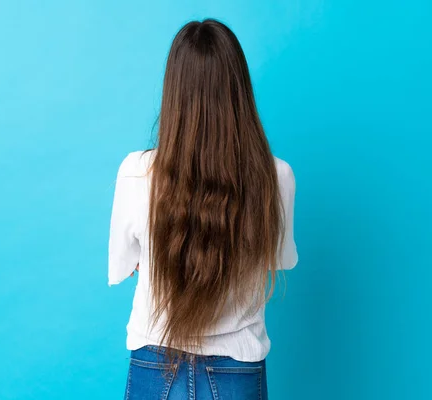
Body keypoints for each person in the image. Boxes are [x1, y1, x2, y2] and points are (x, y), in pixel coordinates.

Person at [108, 18, 298, 400]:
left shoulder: (135, 172)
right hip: (237, 370)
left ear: (174, 93)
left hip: (154, 362)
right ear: (238, 90)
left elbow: (122, 266)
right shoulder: (276, 176)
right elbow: (278, 260)